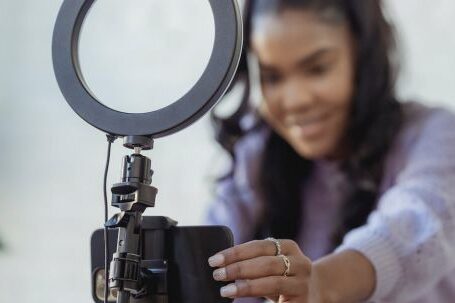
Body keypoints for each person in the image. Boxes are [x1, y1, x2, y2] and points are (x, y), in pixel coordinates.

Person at [204, 0, 455, 302]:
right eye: (272, 77)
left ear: (364, 57)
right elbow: (215, 263)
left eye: (317, 69)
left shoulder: (435, 135)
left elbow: (415, 226)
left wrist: (320, 284)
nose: (295, 100)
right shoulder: (255, 156)